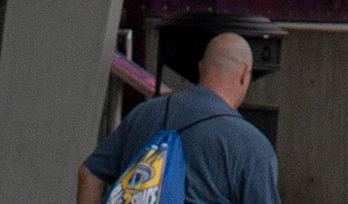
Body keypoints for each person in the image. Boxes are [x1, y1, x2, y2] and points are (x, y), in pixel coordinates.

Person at [80, 33, 282, 204]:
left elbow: (89, 174)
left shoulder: (143, 113)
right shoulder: (252, 147)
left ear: (201, 68)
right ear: (244, 75)